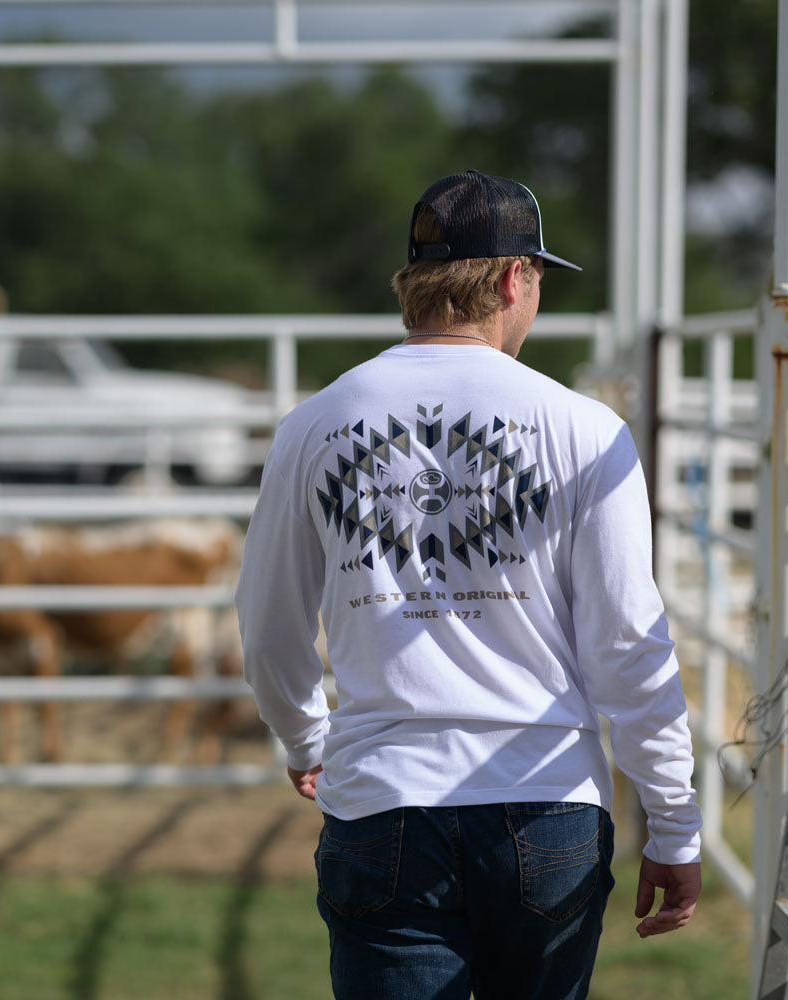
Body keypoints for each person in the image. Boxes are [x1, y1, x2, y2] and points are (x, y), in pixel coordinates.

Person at [235, 168, 702, 1000]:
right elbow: (628, 640)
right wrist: (673, 818)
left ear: (414, 284)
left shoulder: (312, 425)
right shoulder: (584, 429)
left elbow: (269, 625)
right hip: (546, 799)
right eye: (538, 283)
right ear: (514, 277)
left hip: (383, 803)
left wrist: (308, 741)